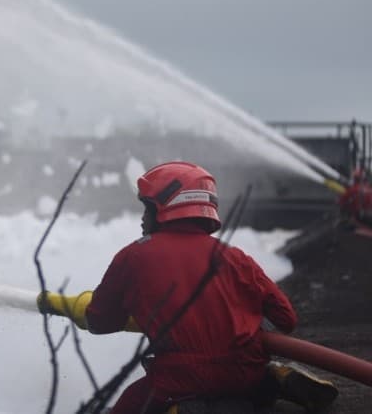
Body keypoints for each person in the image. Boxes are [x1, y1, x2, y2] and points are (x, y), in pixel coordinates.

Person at [38, 161, 337, 413]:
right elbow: (287, 319)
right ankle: (271, 379)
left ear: (165, 209)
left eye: (147, 209)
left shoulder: (134, 256)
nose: (142, 219)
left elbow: (100, 321)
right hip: (244, 372)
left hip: (179, 381)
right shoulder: (235, 257)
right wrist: (239, 319)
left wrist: (82, 306)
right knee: (249, 382)